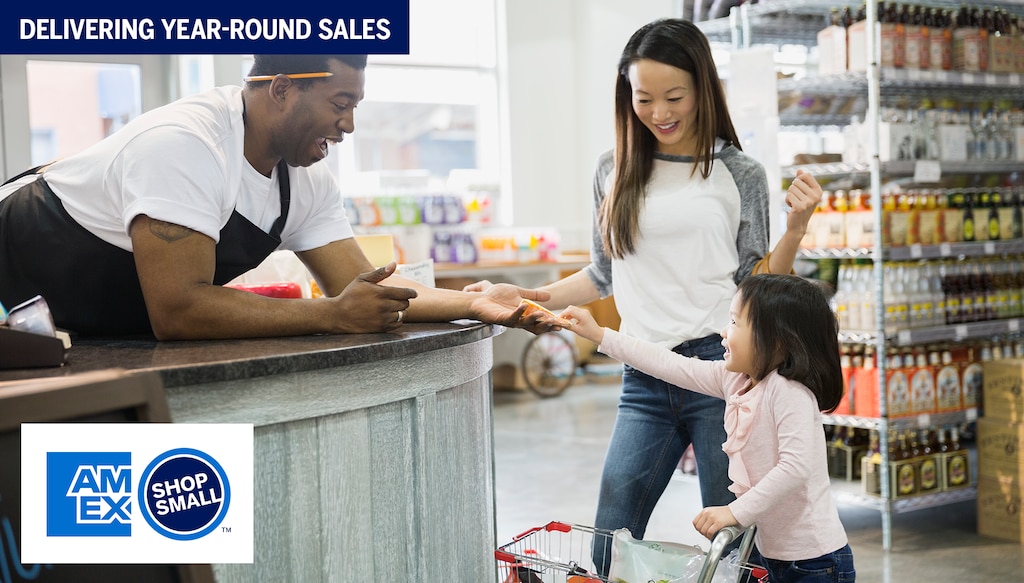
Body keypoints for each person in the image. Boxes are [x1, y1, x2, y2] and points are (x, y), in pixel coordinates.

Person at [465, 18, 822, 573]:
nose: (659, 112)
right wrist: (529, 294)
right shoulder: (614, 170)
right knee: (610, 530)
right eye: (644, 98)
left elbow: (757, 281)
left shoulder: (738, 172)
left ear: (703, 88)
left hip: (720, 372)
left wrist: (795, 230)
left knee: (732, 541)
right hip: (643, 373)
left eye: (674, 96)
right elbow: (603, 275)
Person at [0, 55, 559, 340]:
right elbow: (178, 309)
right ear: (283, 89)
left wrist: (476, 303)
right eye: (341, 103)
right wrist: (332, 317)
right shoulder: (185, 146)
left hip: (73, 325)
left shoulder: (304, 177)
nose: (350, 126)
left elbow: (364, 284)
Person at [561, 274, 856, 582]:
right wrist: (600, 335)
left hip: (814, 562)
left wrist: (734, 512)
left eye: (735, 323)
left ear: (778, 339)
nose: (723, 332)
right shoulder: (735, 380)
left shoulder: (789, 393)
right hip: (773, 555)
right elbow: (670, 364)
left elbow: (795, 468)